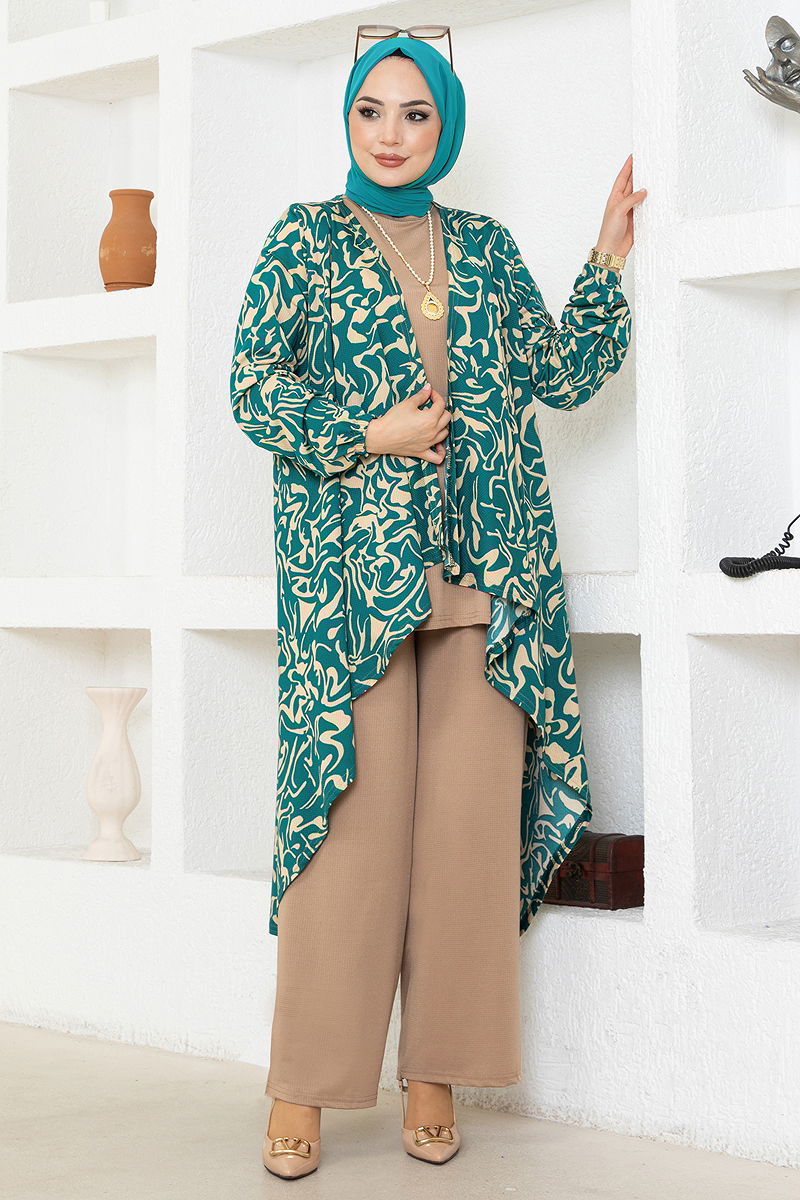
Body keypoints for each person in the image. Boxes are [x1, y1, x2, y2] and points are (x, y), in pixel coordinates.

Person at [229, 29, 645, 1180]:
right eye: (372, 110)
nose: (391, 133)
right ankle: (303, 1087)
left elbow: (557, 375)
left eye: (415, 114)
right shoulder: (303, 239)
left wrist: (605, 259)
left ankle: (435, 1077)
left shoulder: (485, 246)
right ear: (347, 119)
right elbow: (252, 390)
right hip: (354, 592)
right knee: (349, 842)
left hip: (488, 585)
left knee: (464, 844)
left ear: (443, 127)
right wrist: (369, 433)